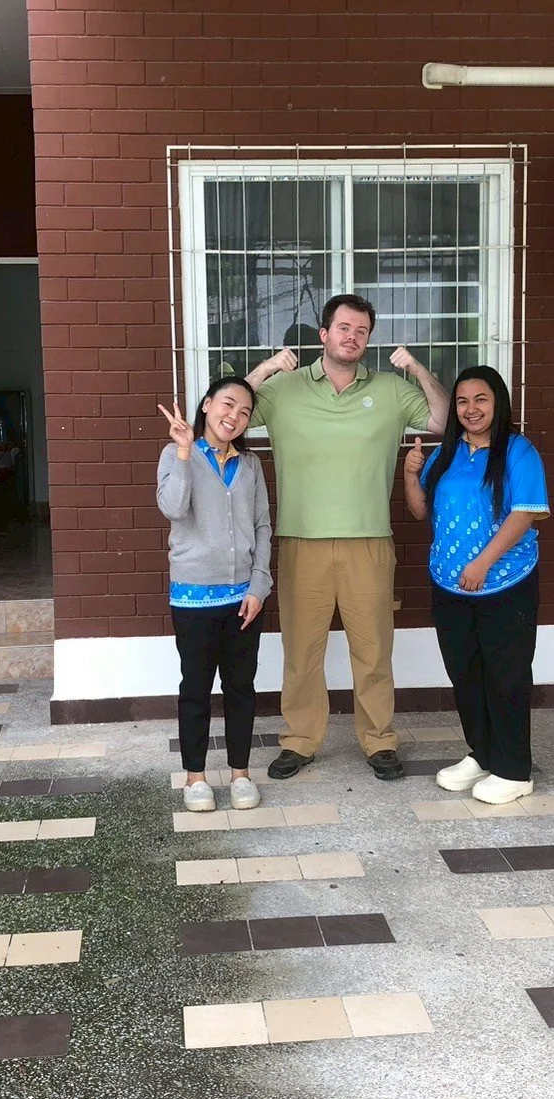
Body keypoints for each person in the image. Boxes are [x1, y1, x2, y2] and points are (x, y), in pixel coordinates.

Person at [245, 294, 448, 782]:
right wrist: (269, 366)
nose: (351, 337)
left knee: (374, 649)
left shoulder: (392, 391)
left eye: (361, 331)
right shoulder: (284, 389)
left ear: (368, 340)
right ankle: (299, 740)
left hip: (369, 541)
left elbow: (443, 420)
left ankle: (379, 741)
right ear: (323, 334)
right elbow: (225, 414)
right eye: (343, 328)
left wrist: (419, 370)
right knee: (301, 650)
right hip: (301, 540)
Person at [403, 366, 550, 806]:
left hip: (504, 583)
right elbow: (419, 511)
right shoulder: (447, 453)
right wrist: (411, 475)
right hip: (449, 586)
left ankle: (513, 769)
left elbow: (524, 513)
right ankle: (482, 754)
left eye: (480, 399)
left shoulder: (519, 452)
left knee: (505, 675)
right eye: (463, 401)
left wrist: (484, 563)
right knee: (465, 674)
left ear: (498, 402)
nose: (470, 409)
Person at [156, 376, 272, 813]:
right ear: (207, 405)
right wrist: (185, 450)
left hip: (245, 598)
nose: (234, 417)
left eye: (244, 412)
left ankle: (241, 774)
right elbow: (173, 507)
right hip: (193, 598)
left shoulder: (251, 465)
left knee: (241, 687)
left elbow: (262, 527)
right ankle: (196, 777)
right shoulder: (174, 455)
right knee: (196, 689)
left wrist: (260, 585)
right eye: (227, 405)